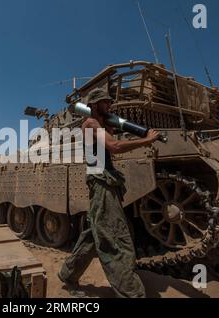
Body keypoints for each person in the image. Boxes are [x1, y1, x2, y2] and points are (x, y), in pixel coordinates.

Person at [58, 88, 161, 298]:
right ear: (95, 106)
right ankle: (132, 293)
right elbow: (114, 147)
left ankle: (67, 274)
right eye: (106, 103)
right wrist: (146, 140)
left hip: (105, 183)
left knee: (95, 234)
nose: (110, 106)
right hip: (101, 184)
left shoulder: (101, 124)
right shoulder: (91, 124)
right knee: (114, 236)